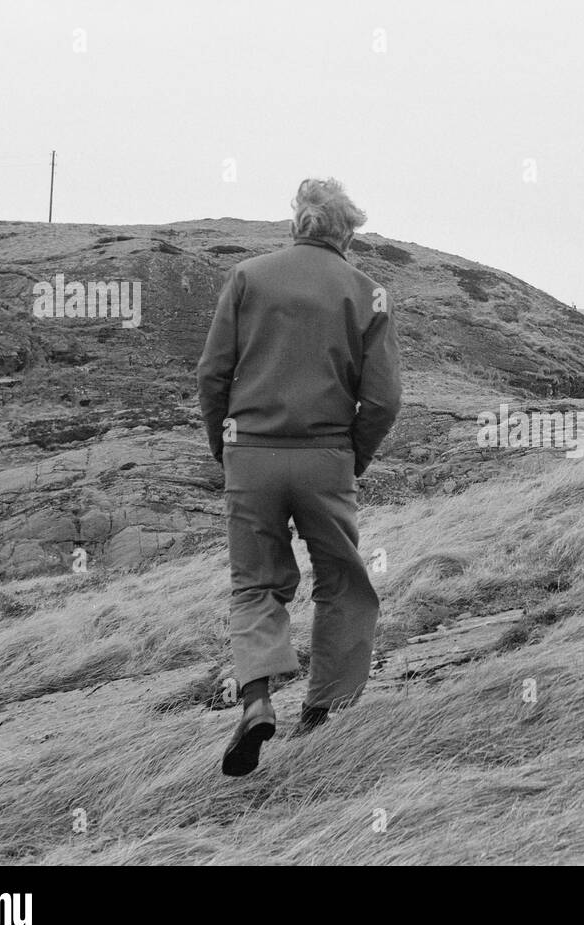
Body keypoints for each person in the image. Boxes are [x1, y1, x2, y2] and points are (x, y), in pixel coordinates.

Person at [196, 177, 402, 777]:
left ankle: (257, 699)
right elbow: (384, 400)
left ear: (297, 223)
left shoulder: (247, 278)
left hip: (252, 457)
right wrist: (351, 457)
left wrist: (225, 446)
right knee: (342, 578)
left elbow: (213, 375)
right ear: (348, 231)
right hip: (326, 457)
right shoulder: (369, 294)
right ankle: (325, 708)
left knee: (255, 584)